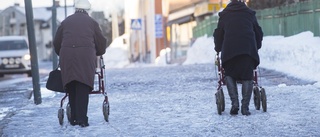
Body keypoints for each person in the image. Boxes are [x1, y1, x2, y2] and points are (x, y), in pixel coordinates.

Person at [53, 0, 108, 127]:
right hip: (85, 56)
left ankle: (73, 118)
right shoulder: (92, 23)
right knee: (83, 84)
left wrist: (61, 53)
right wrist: (99, 51)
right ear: (87, 10)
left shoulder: (66, 22)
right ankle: (82, 119)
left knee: (71, 83)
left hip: (67, 56)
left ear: (75, 8)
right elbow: (100, 41)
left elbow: (57, 41)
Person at [213, 0, 263, 116]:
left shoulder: (225, 15)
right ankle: (245, 107)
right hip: (248, 50)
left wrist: (218, 48)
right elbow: (258, 32)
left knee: (229, 74)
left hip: (230, 51)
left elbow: (219, 34)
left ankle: (234, 103)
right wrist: (257, 46)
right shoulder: (249, 13)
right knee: (247, 75)